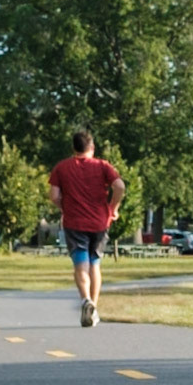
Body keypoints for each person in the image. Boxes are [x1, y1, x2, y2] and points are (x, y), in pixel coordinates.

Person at [48, 130, 125, 327]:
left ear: (74, 147)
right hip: (100, 222)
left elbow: (54, 196)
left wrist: (65, 206)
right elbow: (119, 186)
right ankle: (94, 309)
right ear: (92, 147)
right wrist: (113, 208)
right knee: (95, 263)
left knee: (80, 264)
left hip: (74, 223)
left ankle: (86, 300)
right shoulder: (103, 166)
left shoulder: (61, 168)